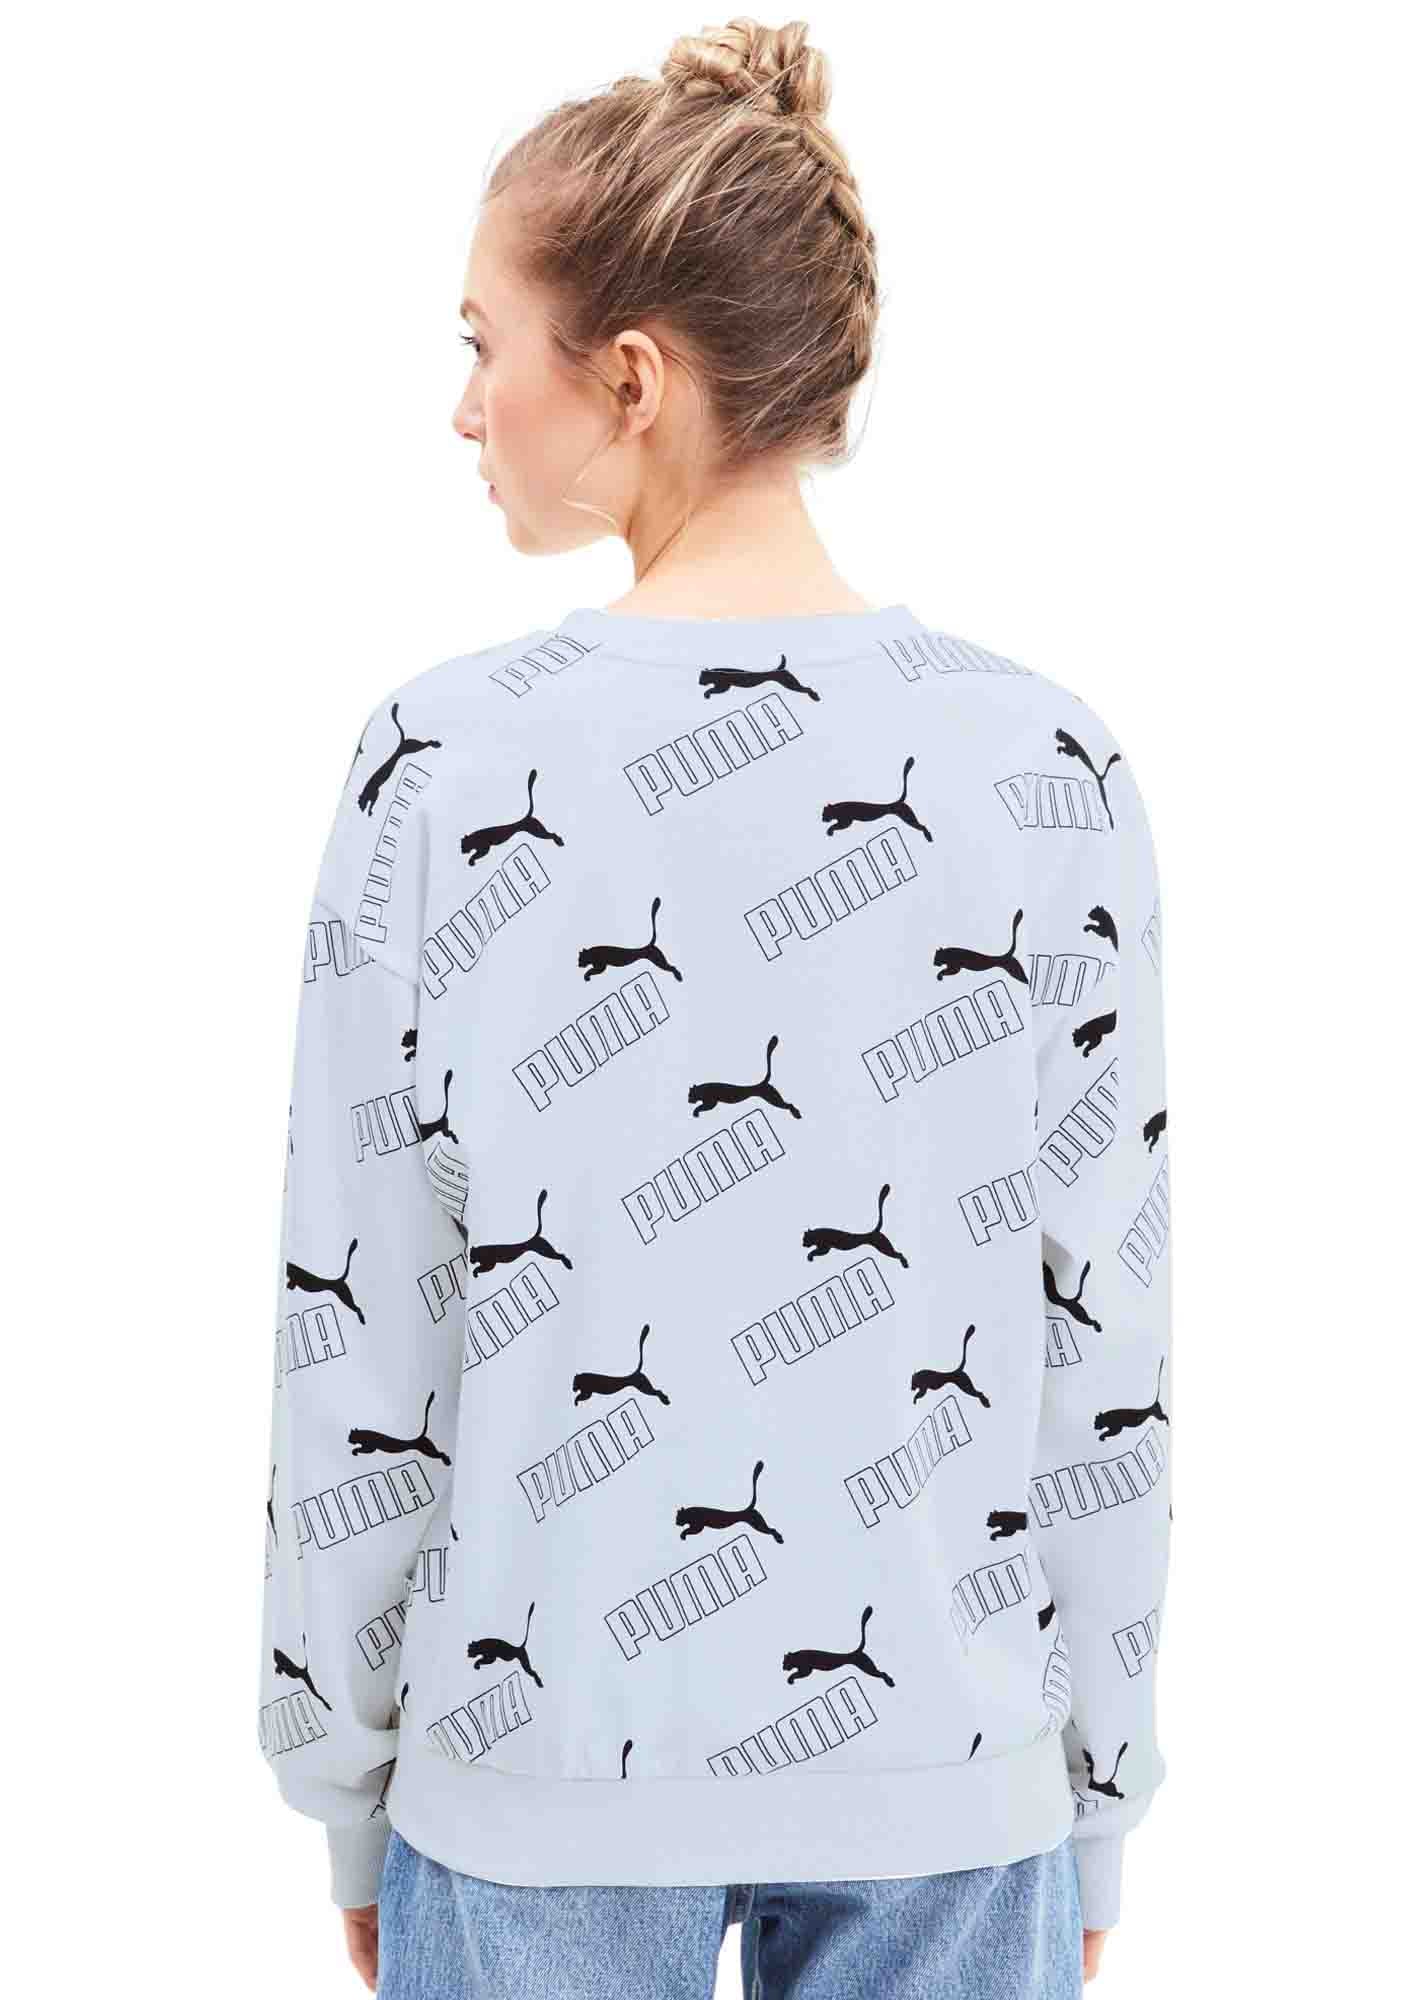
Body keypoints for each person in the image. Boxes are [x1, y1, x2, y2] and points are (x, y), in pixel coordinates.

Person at [255, 18, 1173, 1997]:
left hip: (534, 1796)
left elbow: (363, 1326)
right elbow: (1100, 1334)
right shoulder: (1046, 766)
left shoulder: (440, 767)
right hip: (955, 1796)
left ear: (633, 377)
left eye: (484, 344)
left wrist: (347, 1776)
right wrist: (1095, 1786)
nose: (463, 408)